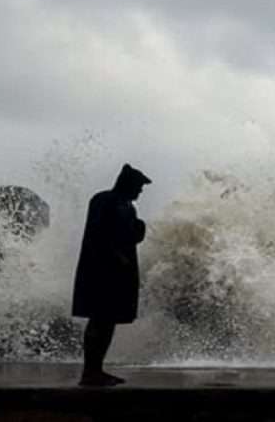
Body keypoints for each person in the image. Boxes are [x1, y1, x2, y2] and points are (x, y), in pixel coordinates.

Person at [71, 163, 151, 387]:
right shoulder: (104, 200)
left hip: (117, 273)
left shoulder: (126, 206)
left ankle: (96, 370)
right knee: (99, 320)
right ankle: (91, 372)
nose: (140, 191)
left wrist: (139, 227)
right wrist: (115, 255)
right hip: (101, 271)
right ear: (127, 183)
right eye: (138, 187)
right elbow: (99, 234)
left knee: (107, 322)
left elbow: (131, 236)